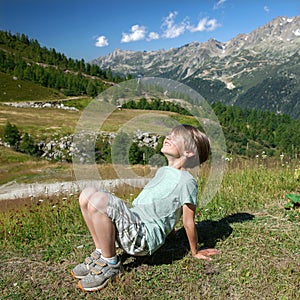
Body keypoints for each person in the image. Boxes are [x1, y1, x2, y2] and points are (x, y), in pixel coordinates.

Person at [71, 124, 220, 292]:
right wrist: (170, 232)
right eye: (169, 134)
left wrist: (195, 251)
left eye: (176, 136)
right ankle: (101, 252)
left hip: (143, 235)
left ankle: (111, 263)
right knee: (87, 194)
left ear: (189, 152)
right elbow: (164, 207)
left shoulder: (188, 182)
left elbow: (188, 221)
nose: (168, 137)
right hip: (133, 222)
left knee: (99, 200)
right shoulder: (163, 171)